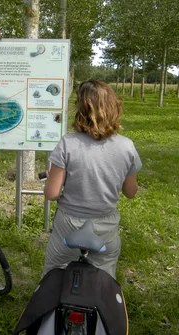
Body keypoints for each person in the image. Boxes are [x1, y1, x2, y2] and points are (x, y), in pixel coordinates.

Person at [43, 79, 142, 279]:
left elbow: (52, 194)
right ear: (114, 107)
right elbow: (130, 192)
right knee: (104, 274)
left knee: (55, 272)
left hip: (69, 224)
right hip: (105, 224)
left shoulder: (67, 144)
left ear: (81, 109)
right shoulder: (127, 146)